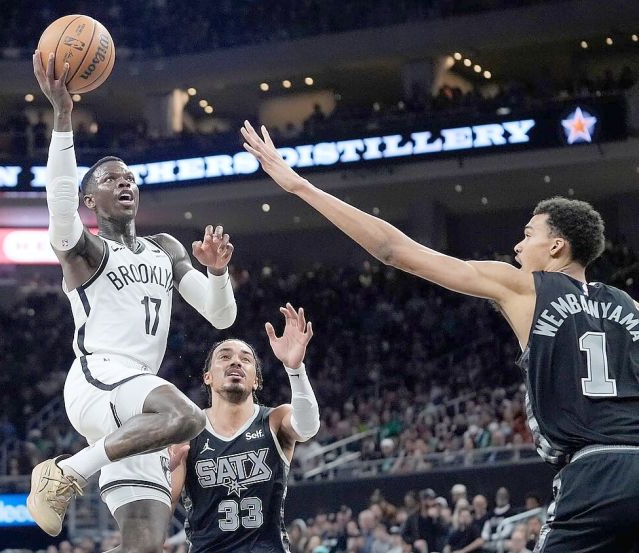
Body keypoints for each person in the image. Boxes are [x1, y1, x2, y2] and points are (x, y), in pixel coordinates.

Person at [241, 121, 639, 552]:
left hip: (591, 472)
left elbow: (396, 252)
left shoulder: (525, 285)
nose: (519, 248)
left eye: (528, 236)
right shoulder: (631, 307)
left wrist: (301, 186)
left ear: (557, 247)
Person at [26, 51, 238, 550]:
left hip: (139, 410)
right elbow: (58, 197)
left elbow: (220, 314)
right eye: (109, 179)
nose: (124, 182)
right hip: (100, 379)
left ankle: (74, 472)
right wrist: (61, 116)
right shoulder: (85, 251)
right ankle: (64, 473)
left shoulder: (165, 249)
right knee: (190, 416)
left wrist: (218, 271)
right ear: (89, 201)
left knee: (144, 541)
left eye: (129, 177)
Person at [169, 303, 320, 552]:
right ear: (208, 376)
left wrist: (295, 369)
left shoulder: (274, 420)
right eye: (225, 356)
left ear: (256, 381)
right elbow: (164, 510)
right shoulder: (187, 432)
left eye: (245, 359)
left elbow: (307, 427)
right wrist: (162, 479)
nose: (236, 362)